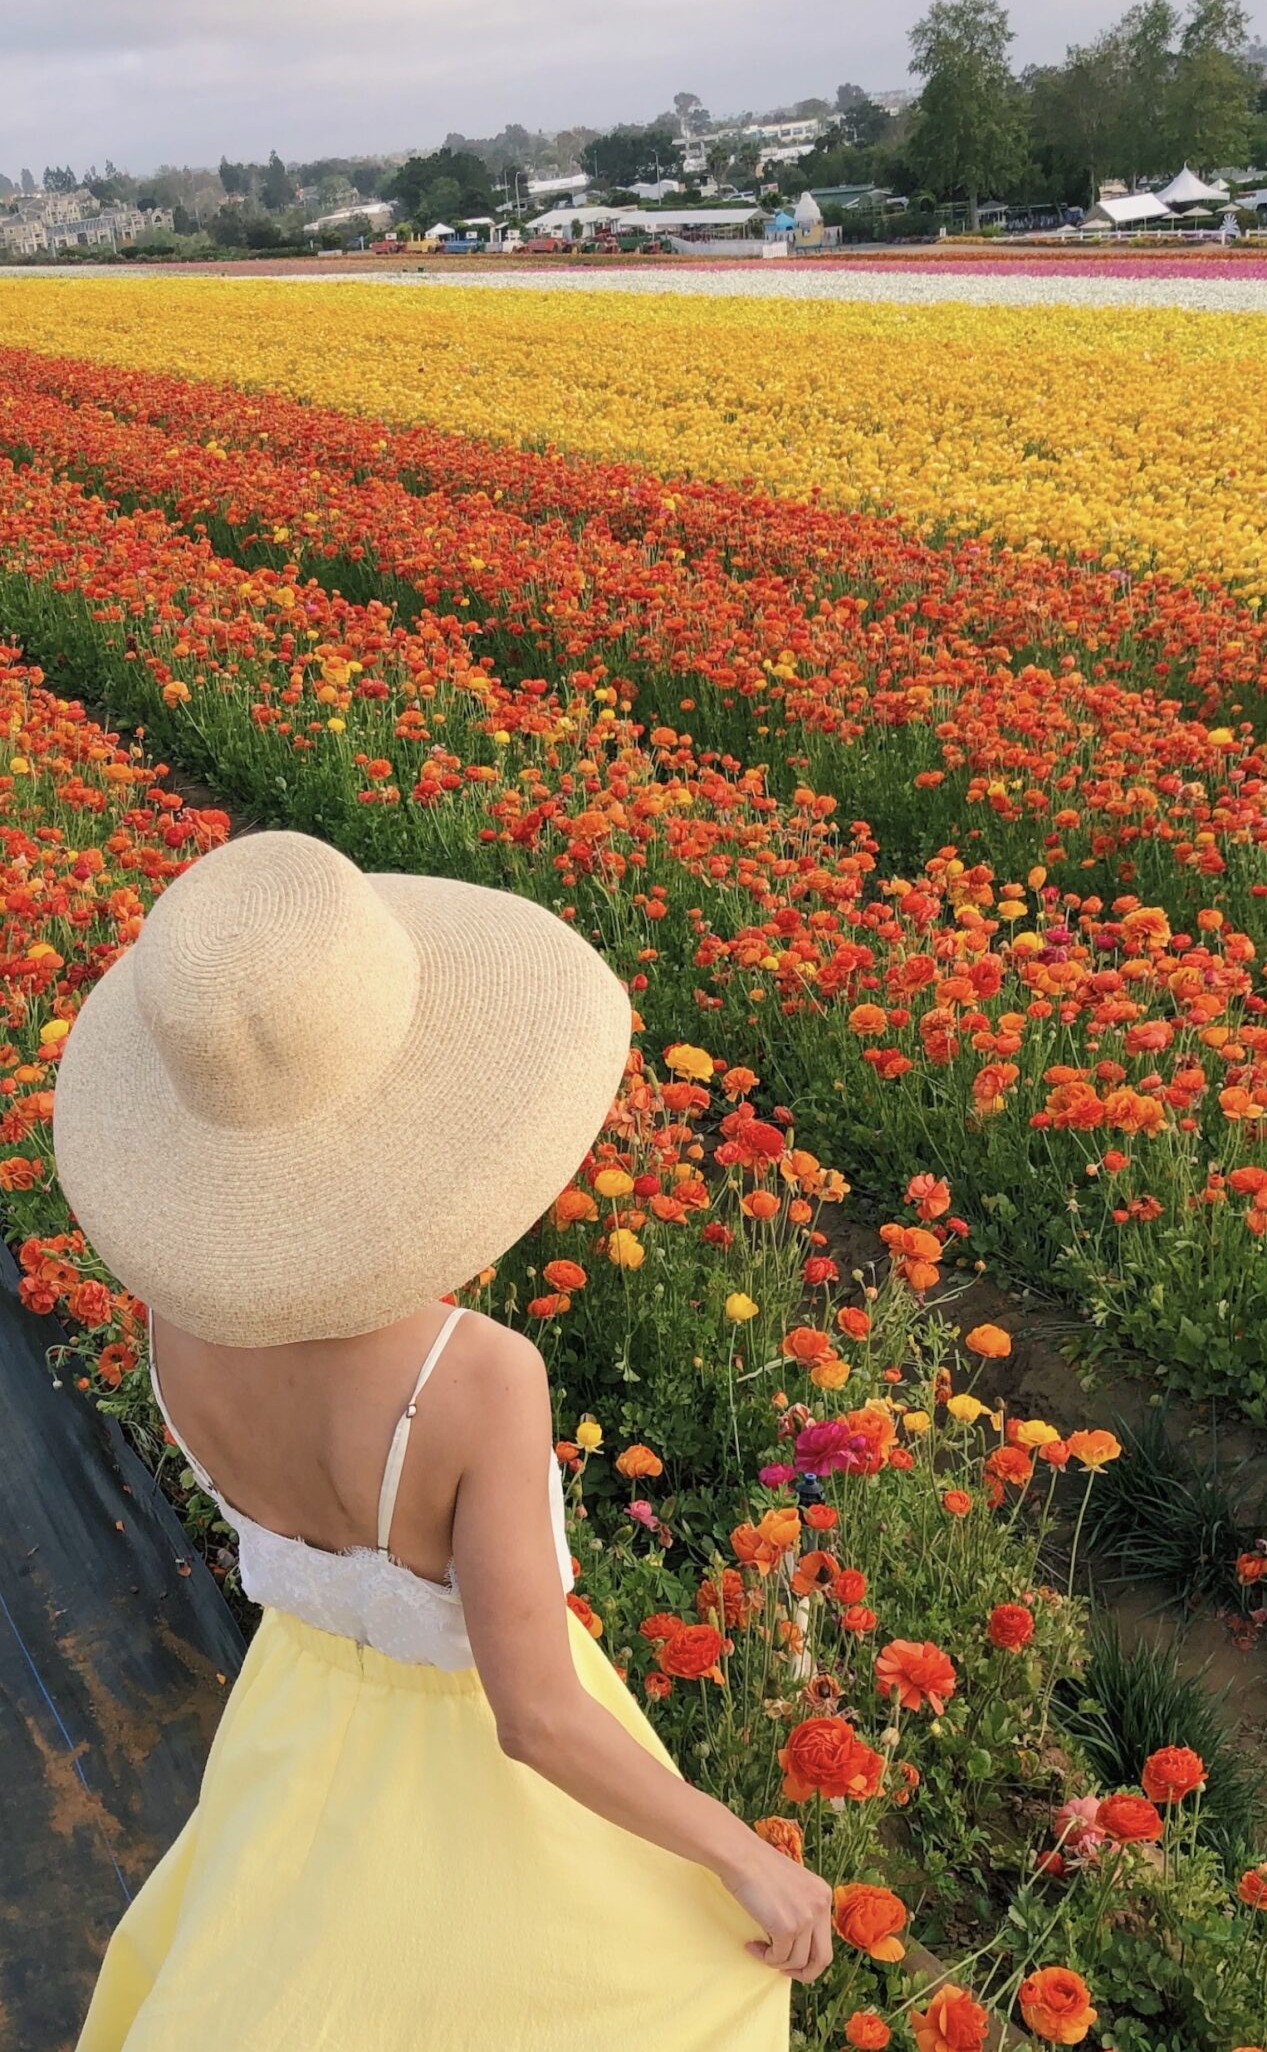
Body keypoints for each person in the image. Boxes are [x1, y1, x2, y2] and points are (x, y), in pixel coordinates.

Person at [58, 830, 828, 2050]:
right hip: (483, 1783)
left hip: (295, 1733)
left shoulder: (180, 1320)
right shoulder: (472, 1378)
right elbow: (536, 1719)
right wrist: (748, 1858)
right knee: (659, 1982)